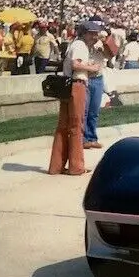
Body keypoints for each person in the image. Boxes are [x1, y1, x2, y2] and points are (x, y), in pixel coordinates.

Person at [48, 21, 102, 176]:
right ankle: (76, 167)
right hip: (77, 85)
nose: (94, 36)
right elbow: (76, 65)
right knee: (77, 125)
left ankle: (56, 166)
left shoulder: (75, 44)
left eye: (95, 33)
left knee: (63, 126)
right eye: (91, 33)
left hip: (67, 85)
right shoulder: (80, 46)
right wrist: (92, 68)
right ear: (83, 33)